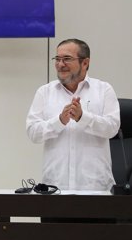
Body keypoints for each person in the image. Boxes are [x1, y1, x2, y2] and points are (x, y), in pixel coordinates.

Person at [26, 38, 120, 192]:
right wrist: (59, 121)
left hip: (96, 189)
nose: (60, 64)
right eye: (57, 59)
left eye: (67, 59)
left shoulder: (104, 90)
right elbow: (33, 133)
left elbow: (112, 129)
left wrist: (83, 118)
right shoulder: (45, 92)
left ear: (85, 63)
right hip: (54, 188)